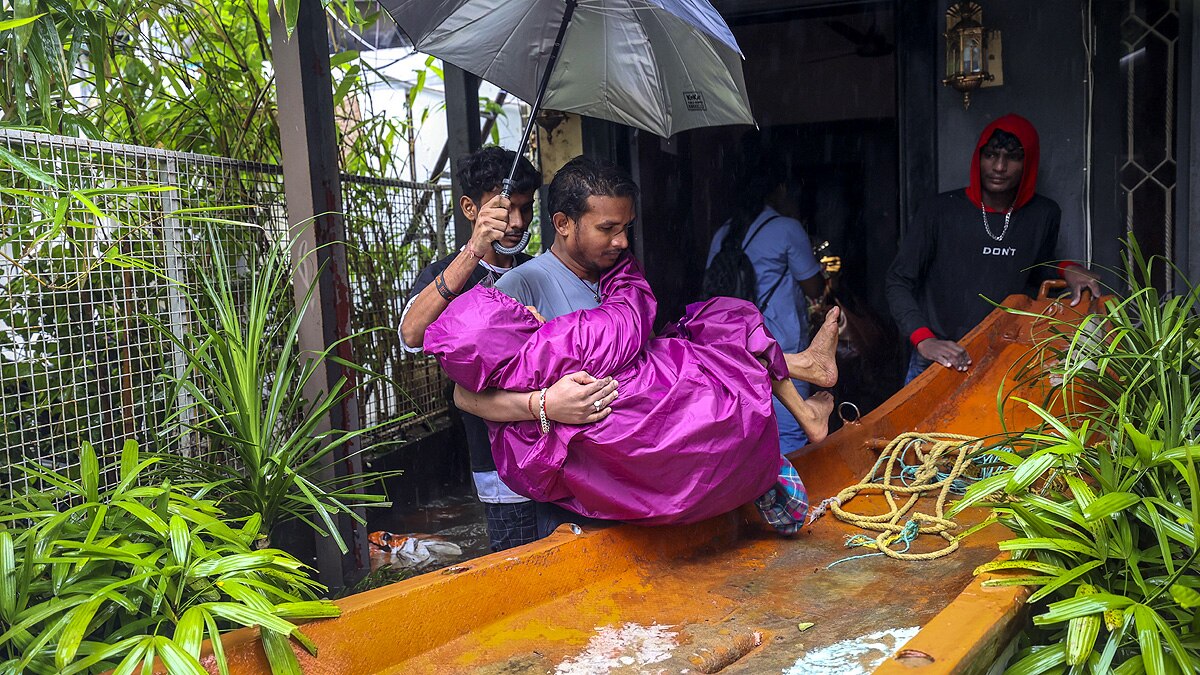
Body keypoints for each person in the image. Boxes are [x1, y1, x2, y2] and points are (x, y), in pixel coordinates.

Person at [442, 156, 838, 533]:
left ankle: (800, 386)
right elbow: (467, 393)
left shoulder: (618, 276)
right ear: (563, 223)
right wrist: (544, 405)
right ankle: (802, 371)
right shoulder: (520, 287)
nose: (622, 241)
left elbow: (652, 369)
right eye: (608, 229)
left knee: (708, 336)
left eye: (626, 227)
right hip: (591, 473)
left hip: (649, 453)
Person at [399, 146, 606, 552]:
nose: (517, 222)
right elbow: (411, 335)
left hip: (566, 456)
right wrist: (473, 251)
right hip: (501, 469)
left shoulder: (541, 269)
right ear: (469, 208)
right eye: (504, 209)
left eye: (526, 209)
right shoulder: (446, 275)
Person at [886, 113, 1101, 384]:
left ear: (1028, 163)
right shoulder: (939, 211)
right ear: (979, 157)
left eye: (1012, 157)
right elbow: (898, 280)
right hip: (941, 360)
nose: (999, 166)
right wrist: (924, 339)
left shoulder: (1043, 214)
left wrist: (1066, 268)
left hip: (1008, 358)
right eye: (991, 155)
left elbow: (1033, 267)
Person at [705, 154, 829, 454]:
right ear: (781, 190)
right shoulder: (787, 228)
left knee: (747, 440)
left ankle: (758, 499)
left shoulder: (724, 233)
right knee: (790, 438)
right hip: (782, 349)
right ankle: (793, 499)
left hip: (732, 350)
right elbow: (813, 288)